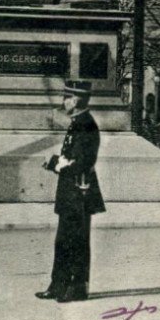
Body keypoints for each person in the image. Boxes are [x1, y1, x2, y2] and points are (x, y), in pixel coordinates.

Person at [36, 80, 105, 303]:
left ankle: (76, 288)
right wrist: (57, 161)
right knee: (64, 240)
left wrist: (58, 165)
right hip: (71, 192)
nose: (64, 102)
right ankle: (59, 285)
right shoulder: (78, 122)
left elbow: (84, 161)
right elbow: (72, 156)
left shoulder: (86, 124)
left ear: (75, 100)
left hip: (80, 191)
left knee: (77, 241)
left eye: (67, 98)